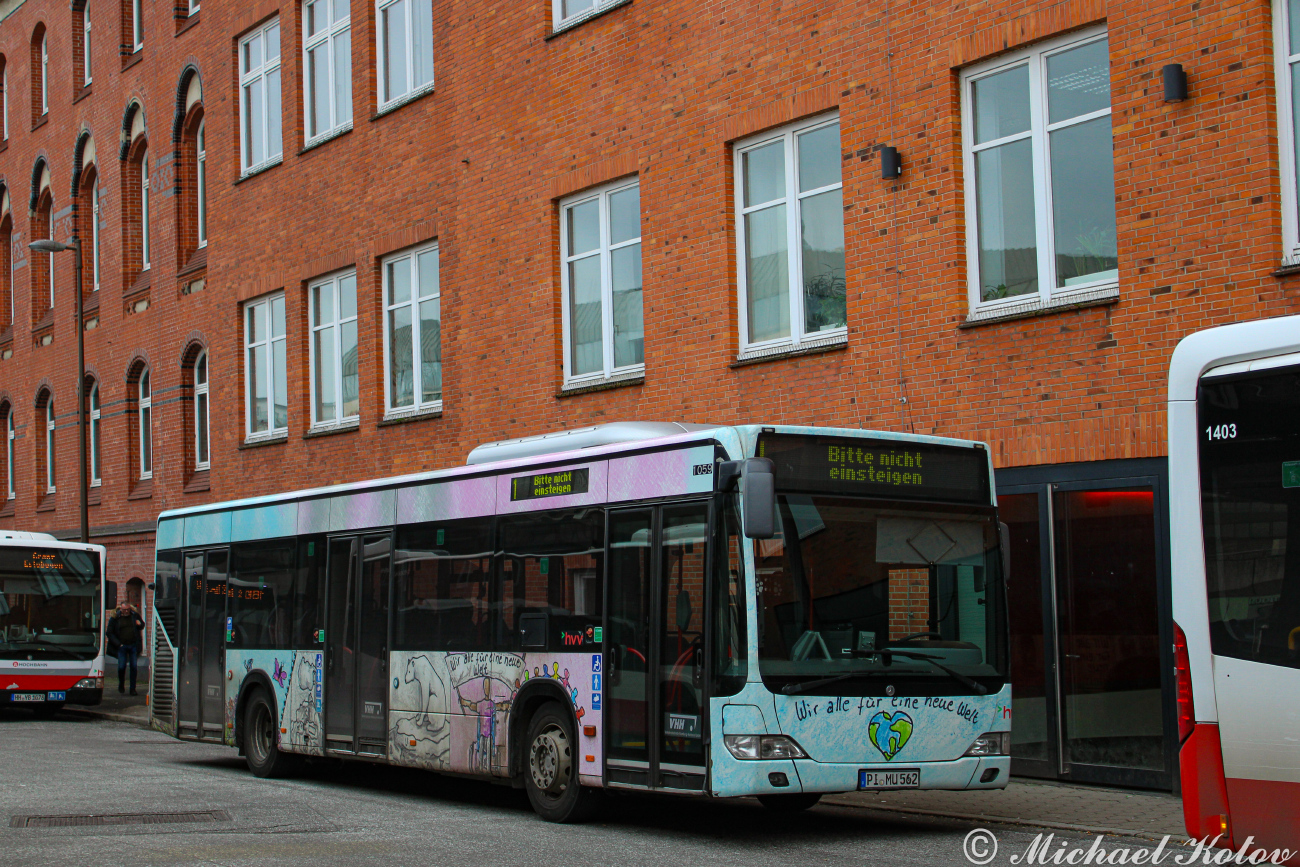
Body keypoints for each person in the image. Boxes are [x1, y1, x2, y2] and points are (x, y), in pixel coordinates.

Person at [106, 602, 146, 696]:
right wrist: (118, 644)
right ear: (121, 609)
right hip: (122, 646)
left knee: (133, 667)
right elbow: (109, 632)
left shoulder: (134, 615)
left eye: (128, 609)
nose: (127, 611)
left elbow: (142, 626)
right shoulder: (115, 618)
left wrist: (139, 624)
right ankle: (121, 684)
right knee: (121, 667)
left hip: (133, 645)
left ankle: (133, 689)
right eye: (124, 610)